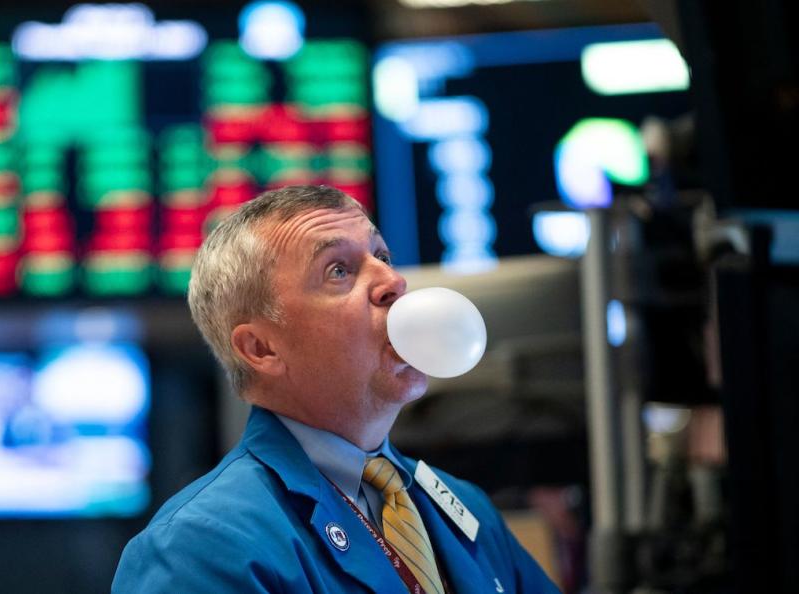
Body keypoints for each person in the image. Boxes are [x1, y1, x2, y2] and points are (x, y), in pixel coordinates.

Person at [113, 185, 560, 593]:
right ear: (261, 348)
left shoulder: (464, 507)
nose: (394, 282)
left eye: (381, 257)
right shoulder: (198, 547)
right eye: (339, 270)